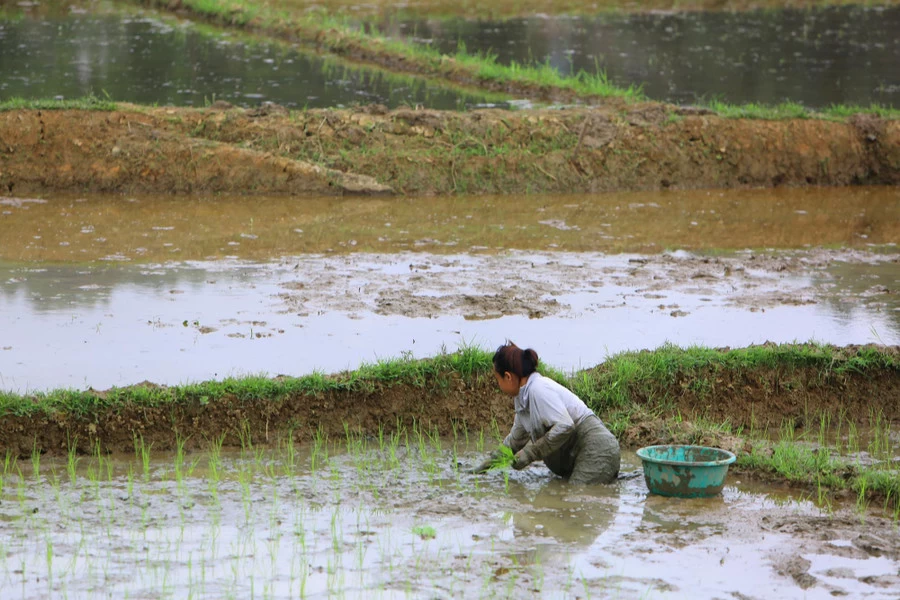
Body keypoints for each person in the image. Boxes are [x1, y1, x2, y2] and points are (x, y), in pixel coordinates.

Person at [469, 342, 620, 484]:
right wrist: (482, 468)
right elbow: (514, 442)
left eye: (498, 379)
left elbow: (565, 426)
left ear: (508, 377)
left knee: (575, 497)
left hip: (596, 448)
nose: (498, 385)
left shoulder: (538, 389)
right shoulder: (522, 400)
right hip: (580, 456)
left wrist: (530, 453)